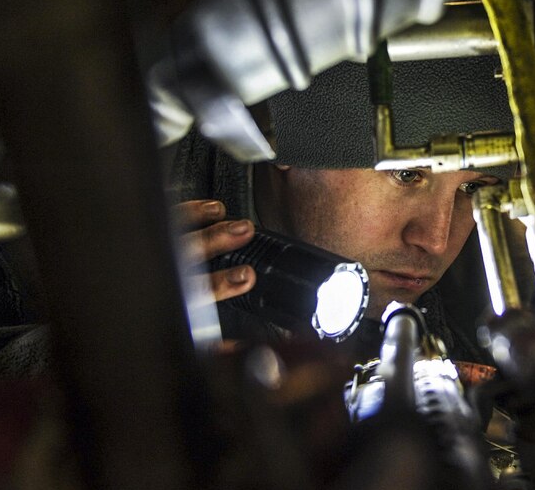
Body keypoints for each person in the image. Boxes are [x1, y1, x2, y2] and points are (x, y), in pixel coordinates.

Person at [166, 53, 516, 365]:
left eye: (471, 188)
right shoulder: (135, 228)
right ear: (281, 138)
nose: (435, 241)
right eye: (406, 174)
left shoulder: (495, 289)